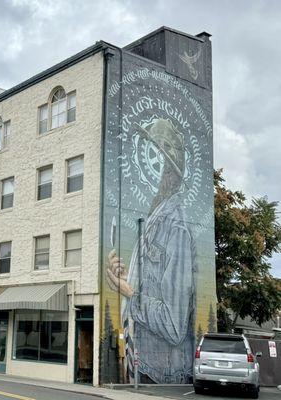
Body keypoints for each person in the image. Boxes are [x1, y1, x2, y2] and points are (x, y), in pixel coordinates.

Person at [106, 118, 197, 384]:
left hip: (160, 376)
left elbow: (174, 324)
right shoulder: (151, 219)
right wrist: (125, 276)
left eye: (151, 159)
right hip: (141, 364)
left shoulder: (176, 228)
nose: (139, 167)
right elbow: (150, 284)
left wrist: (129, 291)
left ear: (168, 170)